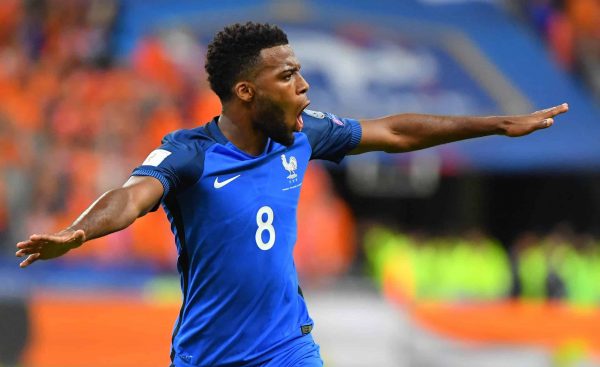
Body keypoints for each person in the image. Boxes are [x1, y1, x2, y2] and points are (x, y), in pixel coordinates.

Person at [16, 22, 568, 367]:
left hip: (288, 349)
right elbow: (133, 195)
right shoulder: (190, 152)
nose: (304, 86)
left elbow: (396, 131)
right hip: (208, 357)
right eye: (288, 77)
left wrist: (495, 124)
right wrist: (78, 231)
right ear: (246, 91)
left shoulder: (303, 135)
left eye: (300, 72)